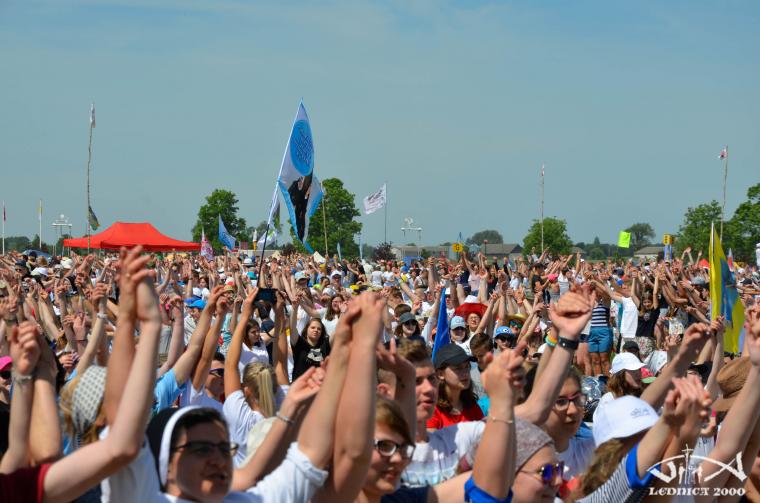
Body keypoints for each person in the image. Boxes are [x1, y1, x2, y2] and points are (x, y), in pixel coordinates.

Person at [426, 344, 483, 430]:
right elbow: (430, 438)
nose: (465, 372)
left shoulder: (472, 406)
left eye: (467, 366)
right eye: (458, 368)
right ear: (440, 374)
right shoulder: (432, 410)